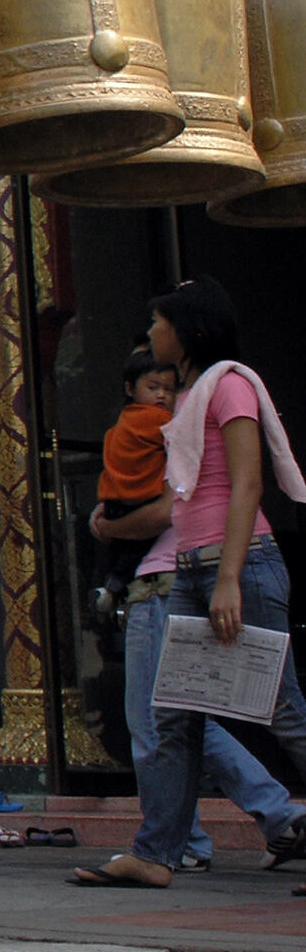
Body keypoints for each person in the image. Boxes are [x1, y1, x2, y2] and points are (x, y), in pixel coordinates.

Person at [78, 277, 306, 889]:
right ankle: (156, 855)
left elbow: (247, 484)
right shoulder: (188, 396)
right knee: (173, 717)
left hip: (240, 564)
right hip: (190, 571)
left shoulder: (230, 384)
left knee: (282, 709)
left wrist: (228, 578)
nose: (151, 333)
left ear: (188, 329)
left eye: (159, 323)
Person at [95, 348, 180, 615]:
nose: (162, 395)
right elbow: (183, 433)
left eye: (169, 389)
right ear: (130, 389)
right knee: (136, 550)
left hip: (114, 501)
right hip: (141, 501)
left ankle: (107, 590)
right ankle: (113, 588)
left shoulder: (123, 422)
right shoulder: (161, 421)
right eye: (153, 387)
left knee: (119, 553)